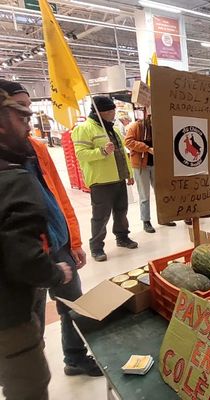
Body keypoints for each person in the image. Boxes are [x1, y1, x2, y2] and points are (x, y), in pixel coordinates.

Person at [0, 79, 103, 378]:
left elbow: (57, 195)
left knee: (72, 303)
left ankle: (74, 358)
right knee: (30, 319)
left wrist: (74, 239)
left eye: (30, 109)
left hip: (57, 242)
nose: (28, 119)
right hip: (26, 255)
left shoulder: (34, 149)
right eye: (22, 112)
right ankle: (32, 359)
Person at [0, 87, 74, 400]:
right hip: (9, 312)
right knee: (28, 384)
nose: (29, 123)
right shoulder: (10, 178)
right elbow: (24, 259)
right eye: (21, 114)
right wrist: (56, 272)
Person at [72, 96, 137, 262]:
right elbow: (81, 154)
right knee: (101, 216)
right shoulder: (84, 129)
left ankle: (122, 237)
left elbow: (122, 153)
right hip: (101, 181)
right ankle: (96, 247)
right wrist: (101, 152)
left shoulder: (111, 129)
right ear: (100, 112)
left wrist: (128, 173)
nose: (113, 113)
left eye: (113, 109)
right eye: (110, 110)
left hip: (118, 178)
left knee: (121, 212)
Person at [125, 112, 176, 232]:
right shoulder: (136, 126)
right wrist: (146, 148)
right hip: (141, 165)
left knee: (161, 192)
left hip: (157, 164)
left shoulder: (160, 127)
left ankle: (164, 217)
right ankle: (146, 221)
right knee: (144, 195)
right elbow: (128, 142)